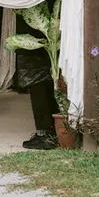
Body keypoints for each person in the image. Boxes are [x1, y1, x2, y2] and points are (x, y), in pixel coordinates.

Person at [14, 10, 60, 150]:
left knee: (37, 84)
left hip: (33, 36)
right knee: (49, 82)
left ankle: (45, 133)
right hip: (48, 32)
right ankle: (54, 129)